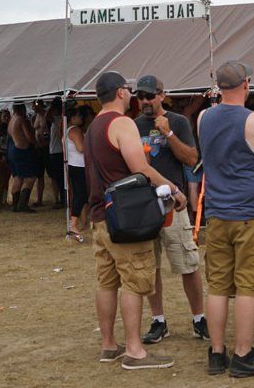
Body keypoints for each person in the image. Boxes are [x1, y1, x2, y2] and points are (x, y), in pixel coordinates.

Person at [85, 71, 186, 370]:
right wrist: (175, 189)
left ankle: (108, 345)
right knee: (133, 281)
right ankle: (134, 351)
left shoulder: (93, 126)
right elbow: (140, 167)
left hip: (100, 215)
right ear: (119, 92)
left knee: (106, 282)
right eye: (128, 90)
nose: (132, 95)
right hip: (126, 217)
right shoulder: (121, 123)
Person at [199, 60, 254, 378]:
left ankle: (217, 352)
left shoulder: (203, 117)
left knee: (218, 285)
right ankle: (243, 354)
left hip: (217, 214)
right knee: (248, 286)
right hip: (250, 214)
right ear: (247, 83)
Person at [133, 75, 208, 344]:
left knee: (188, 263)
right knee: (150, 266)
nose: (144, 101)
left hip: (173, 205)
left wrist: (169, 134)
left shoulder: (177, 122)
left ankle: (199, 319)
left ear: (162, 95)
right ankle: (158, 321)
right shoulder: (132, 126)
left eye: (149, 96)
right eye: (140, 96)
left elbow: (191, 158)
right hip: (143, 205)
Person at [7, 103, 39, 213]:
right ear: (22, 108)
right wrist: (36, 143)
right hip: (21, 150)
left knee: (18, 177)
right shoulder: (21, 119)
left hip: (12, 150)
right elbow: (29, 137)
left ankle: (15, 204)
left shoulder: (12, 119)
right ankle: (22, 204)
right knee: (30, 177)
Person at [65, 106, 88, 237]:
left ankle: (76, 222)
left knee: (80, 195)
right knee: (81, 195)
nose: (81, 118)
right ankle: (73, 224)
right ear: (73, 118)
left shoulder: (67, 130)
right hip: (80, 166)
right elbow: (81, 148)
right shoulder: (75, 130)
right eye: (79, 116)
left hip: (75, 165)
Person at [45, 99, 66, 209]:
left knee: (60, 178)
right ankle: (59, 199)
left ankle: (63, 199)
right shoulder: (56, 119)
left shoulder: (60, 119)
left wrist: (52, 106)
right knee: (56, 177)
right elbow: (47, 117)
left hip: (58, 152)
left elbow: (47, 116)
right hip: (54, 151)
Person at [31, 100, 50, 207]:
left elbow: (49, 130)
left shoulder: (46, 115)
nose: (33, 106)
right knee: (39, 175)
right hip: (38, 148)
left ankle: (57, 199)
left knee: (52, 175)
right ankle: (39, 199)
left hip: (46, 147)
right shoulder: (35, 116)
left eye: (35, 104)